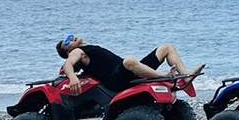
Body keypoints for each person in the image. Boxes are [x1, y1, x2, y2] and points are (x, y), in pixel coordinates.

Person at [55, 36, 204, 95]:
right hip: (116, 79)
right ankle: (165, 75)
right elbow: (68, 64)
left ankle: (186, 76)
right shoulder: (77, 52)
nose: (71, 38)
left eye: (69, 36)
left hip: (130, 71)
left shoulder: (87, 48)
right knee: (129, 60)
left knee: (166, 47)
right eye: (67, 41)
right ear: (68, 50)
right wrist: (73, 77)